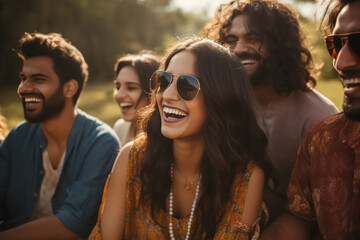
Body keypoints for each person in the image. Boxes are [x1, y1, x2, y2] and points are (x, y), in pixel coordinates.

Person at [89, 37, 272, 239]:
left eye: (187, 86)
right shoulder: (131, 158)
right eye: (164, 80)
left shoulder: (246, 176)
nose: (167, 95)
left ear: (220, 97)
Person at [203, 0, 339, 221]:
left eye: (253, 39)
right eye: (230, 40)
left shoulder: (318, 116)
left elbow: (327, 216)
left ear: (279, 44)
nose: (238, 49)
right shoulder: (223, 109)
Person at [0, 32, 120, 239]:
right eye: (23, 78)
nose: (23, 88)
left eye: (38, 79)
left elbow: (72, 225)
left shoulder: (101, 142)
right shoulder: (19, 136)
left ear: (69, 88)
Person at [260, 0, 360, 239]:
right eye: (336, 44)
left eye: (358, 43)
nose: (340, 62)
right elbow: (298, 220)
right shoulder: (323, 141)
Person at [112, 52, 160, 146]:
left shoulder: (167, 137)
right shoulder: (120, 128)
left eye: (131, 88)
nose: (119, 95)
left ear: (153, 91)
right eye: (118, 87)